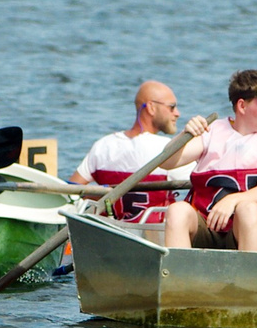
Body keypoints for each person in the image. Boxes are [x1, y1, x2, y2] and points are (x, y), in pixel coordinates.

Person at [161, 70, 257, 253]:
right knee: (177, 210)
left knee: (247, 209)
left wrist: (232, 201)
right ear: (242, 106)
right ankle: (179, 269)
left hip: (251, 227)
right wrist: (185, 134)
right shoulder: (212, 132)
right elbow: (166, 162)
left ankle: (250, 270)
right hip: (208, 225)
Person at [69, 81, 181, 225]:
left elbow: (72, 191)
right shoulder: (167, 148)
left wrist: (96, 197)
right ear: (151, 108)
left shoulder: (104, 145)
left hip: (109, 229)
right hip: (151, 232)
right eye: (172, 107)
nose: (177, 113)